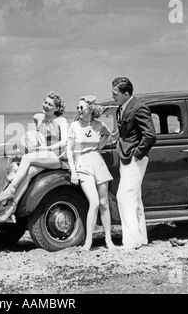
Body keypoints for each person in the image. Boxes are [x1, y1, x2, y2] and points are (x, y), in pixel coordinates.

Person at [0, 91, 68, 222]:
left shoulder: (61, 120)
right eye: (45, 102)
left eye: (50, 104)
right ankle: (12, 207)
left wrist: (47, 147)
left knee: (26, 158)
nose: (46, 106)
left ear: (57, 108)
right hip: (43, 156)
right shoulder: (38, 118)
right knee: (28, 172)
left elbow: (64, 142)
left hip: (57, 156)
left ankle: (12, 188)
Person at [111, 77, 156, 249]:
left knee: (124, 196)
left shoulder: (139, 107)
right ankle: (140, 238)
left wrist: (137, 154)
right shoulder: (122, 108)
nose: (113, 96)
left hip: (134, 158)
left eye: (115, 94)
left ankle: (130, 242)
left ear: (126, 93)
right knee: (135, 199)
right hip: (126, 157)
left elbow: (150, 135)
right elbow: (125, 133)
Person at [67, 95, 115, 250]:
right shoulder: (74, 126)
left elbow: (109, 135)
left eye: (81, 108)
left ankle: (108, 239)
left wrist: (100, 146)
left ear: (90, 109)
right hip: (82, 164)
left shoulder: (99, 125)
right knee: (93, 202)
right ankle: (88, 241)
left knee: (104, 203)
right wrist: (73, 171)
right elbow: (69, 150)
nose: (78, 110)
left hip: (98, 162)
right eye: (77, 108)